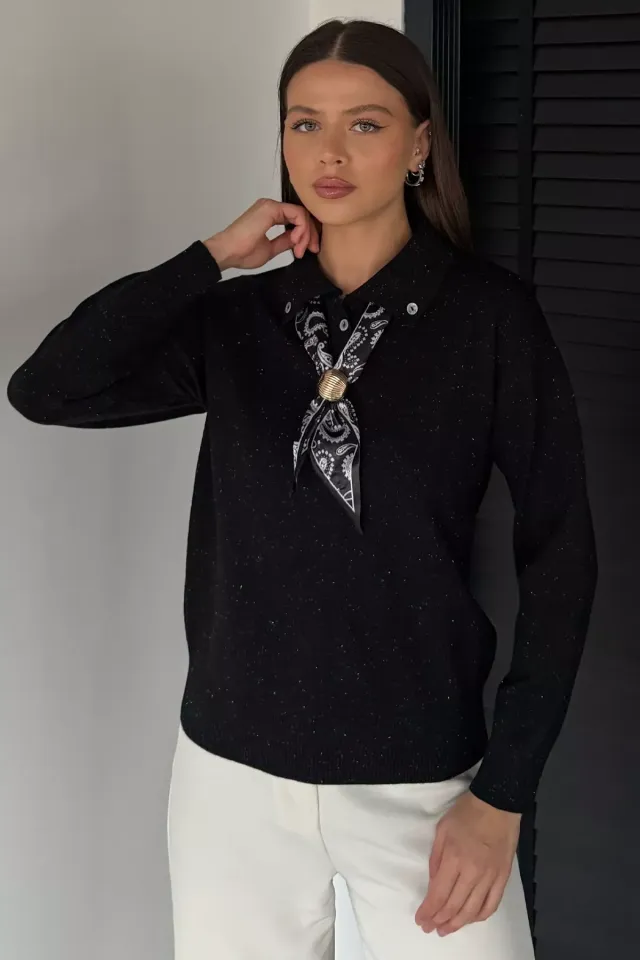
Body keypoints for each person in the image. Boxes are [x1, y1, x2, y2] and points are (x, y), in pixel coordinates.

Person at [7, 17, 597, 960]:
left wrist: (503, 796)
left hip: (422, 783)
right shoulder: (242, 319)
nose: (329, 153)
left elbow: (562, 558)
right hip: (230, 778)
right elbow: (46, 388)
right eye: (303, 123)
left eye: (364, 124)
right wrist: (209, 258)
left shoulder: (488, 321)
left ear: (418, 144)